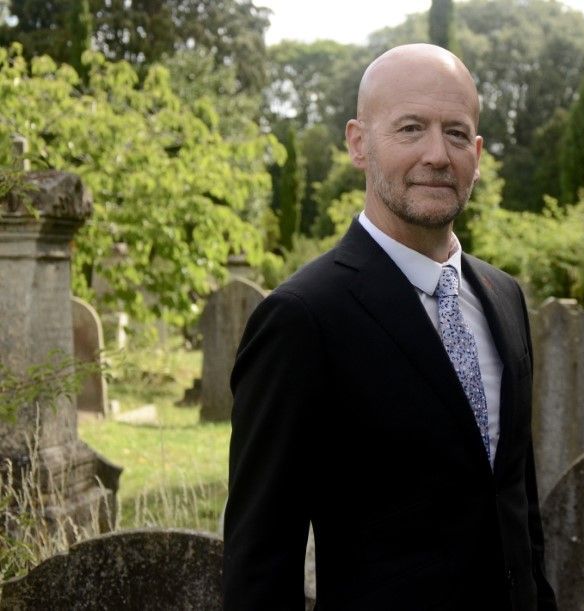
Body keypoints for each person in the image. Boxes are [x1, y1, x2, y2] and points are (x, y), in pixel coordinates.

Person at [223, 43, 558, 610]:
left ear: (477, 151)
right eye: (410, 128)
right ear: (359, 143)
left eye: (456, 133)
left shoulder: (504, 298)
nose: (437, 154)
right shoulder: (302, 318)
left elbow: (517, 507)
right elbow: (261, 560)